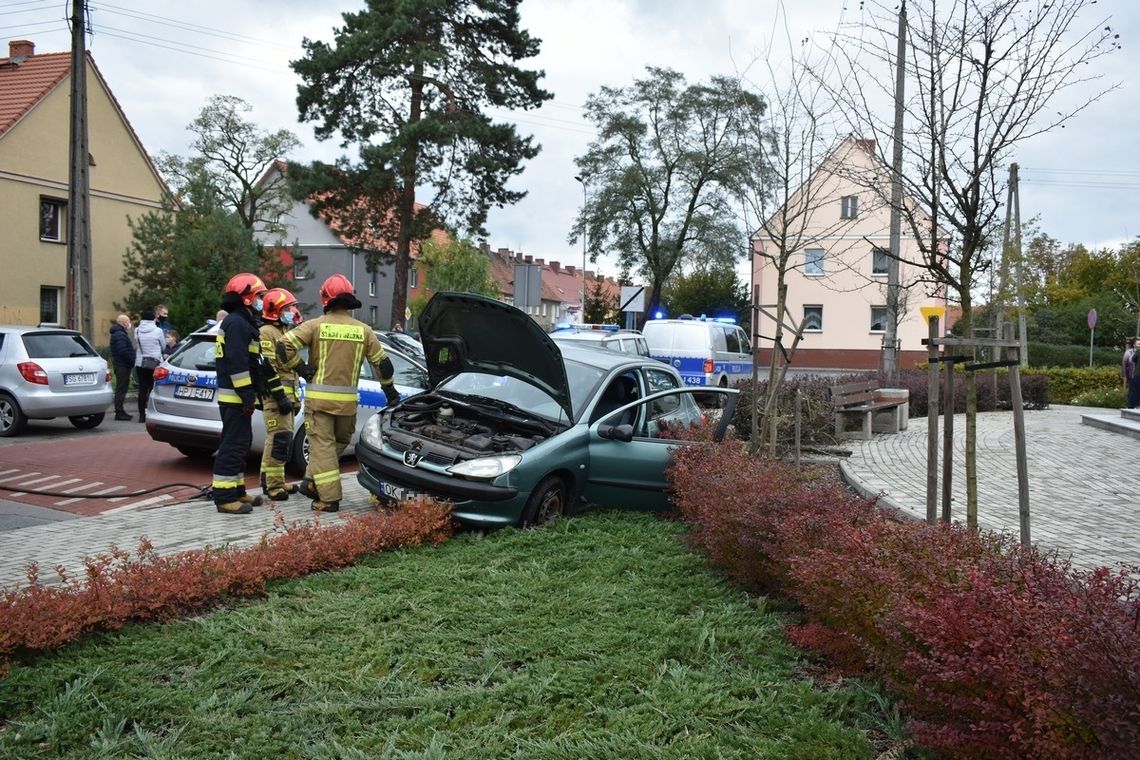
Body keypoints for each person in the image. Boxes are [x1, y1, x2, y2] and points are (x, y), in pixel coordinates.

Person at [279, 273, 401, 512]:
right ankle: (312, 481)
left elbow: (283, 345)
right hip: (348, 405)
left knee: (322, 446)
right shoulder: (364, 330)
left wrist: (301, 368)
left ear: (326, 299)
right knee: (339, 442)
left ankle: (328, 498)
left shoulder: (315, 325)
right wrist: (390, 391)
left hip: (319, 402)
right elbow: (383, 364)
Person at [212, 273, 294, 515]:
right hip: (235, 398)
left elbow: (257, 362)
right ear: (247, 298)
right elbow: (237, 364)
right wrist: (247, 395)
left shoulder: (242, 323)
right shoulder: (237, 324)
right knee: (233, 445)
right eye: (259, 295)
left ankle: (237, 491)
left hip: (238, 398)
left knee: (241, 444)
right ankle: (225, 497)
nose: (262, 300)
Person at [257, 288, 304, 501]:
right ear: (275, 310)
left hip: (286, 397)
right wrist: (281, 397)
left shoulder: (283, 331)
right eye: (287, 308)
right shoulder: (267, 331)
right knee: (279, 439)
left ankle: (273, 481)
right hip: (276, 398)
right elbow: (268, 367)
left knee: (279, 439)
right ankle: (273, 486)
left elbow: (290, 370)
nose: (291, 311)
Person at [133, 309, 165, 423]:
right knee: (152, 388)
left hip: (140, 363)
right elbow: (163, 345)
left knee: (142, 388)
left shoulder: (137, 330)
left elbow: (135, 344)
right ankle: (151, 412)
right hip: (154, 362)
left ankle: (141, 415)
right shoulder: (158, 331)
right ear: (153, 318)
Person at [109, 314, 136, 421]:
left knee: (122, 389)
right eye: (128, 321)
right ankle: (119, 412)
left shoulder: (118, 333)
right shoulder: (120, 334)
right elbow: (122, 351)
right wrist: (131, 360)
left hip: (121, 365)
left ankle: (120, 411)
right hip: (122, 366)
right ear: (123, 323)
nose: (129, 324)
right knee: (121, 389)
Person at [1128, 338, 1140, 408]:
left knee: (1134, 390)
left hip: (1138, 374)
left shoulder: (1138, 351)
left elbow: (1132, 360)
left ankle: (1131, 406)